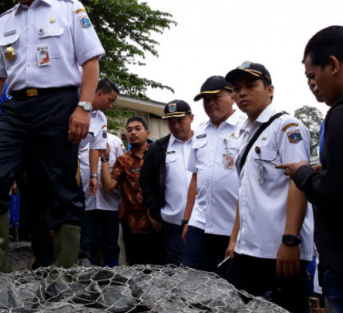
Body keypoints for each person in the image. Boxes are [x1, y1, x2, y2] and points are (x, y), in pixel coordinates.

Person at [0, 0, 105, 273]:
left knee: (60, 186)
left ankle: (64, 270)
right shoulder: (5, 21)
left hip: (59, 104)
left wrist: (84, 108)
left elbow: (90, 62)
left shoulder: (69, 9)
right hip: (17, 109)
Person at [278, 26, 343, 313]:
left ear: (332, 65)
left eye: (312, 75)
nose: (312, 84)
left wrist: (304, 173)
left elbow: (335, 195)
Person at [223, 62, 314, 313]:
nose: (241, 93)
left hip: (281, 249)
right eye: (236, 88)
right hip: (248, 247)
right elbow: (246, 191)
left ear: (270, 89)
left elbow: (299, 184)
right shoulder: (243, 133)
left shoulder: (287, 127)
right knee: (235, 306)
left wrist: (290, 240)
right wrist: (235, 239)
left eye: (250, 86)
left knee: (287, 308)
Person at [180, 76, 245, 274]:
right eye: (206, 100)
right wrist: (187, 220)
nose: (210, 103)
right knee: (191, 282)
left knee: (233, 288)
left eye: (216, 97)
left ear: (232, 97)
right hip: (201, 223)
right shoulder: (200, 132)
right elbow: (195, 179)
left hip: (234, 225)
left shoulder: (246, 128)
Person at [99, 117, 164, 266]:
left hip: (159, 222)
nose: (133, 132)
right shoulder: (123, 161)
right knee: (137, 268)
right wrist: (104, 159)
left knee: (162, 268)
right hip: (134, 225)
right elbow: (108, 186)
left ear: (147, 133)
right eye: (129, 130)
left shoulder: (159, 154)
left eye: (137, 129)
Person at [140, 100, 194, 266]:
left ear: (191, 118)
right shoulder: (158, 148)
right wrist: (157, 211)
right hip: (173, 222)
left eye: (180, 120)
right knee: (177, 268)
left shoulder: (203, 143)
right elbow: (146, 181)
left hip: (202, 222)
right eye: (171, 121)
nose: (176, 125)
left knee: (205, 269)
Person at [78, 79, 121, 267]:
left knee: (110, 243)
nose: (110, 106)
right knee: (87, 242)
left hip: (108, 200)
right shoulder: (76, 109)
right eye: (110, 100)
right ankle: (87, 276)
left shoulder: (106, 128)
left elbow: (97, 147)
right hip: (85, 197)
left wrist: (95, 177)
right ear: (99, 94)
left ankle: (112, 275)